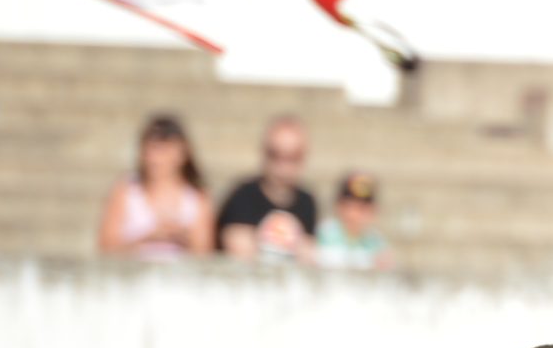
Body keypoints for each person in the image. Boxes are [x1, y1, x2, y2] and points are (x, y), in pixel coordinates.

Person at [95, 113, 212, 260]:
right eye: (152, 149)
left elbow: (204, 253)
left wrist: (181, 237)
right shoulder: (126, 189)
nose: (156, 158)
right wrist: (149, 237)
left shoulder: (196, 196)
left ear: (182, 153)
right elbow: (106, 247)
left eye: (164, 150)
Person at [216, 116, 319, 263]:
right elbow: (235, 249)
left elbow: (310, 255)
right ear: (263, 152)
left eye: (293, 156)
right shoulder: (242, 197)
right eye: (275, 154)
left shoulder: (307, 202)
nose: (283, 166)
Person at [315, 172, 392, 270]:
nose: (355, 214)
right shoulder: (326, 232)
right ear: (339, 206)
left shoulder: (375, 241)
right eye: (350, 207)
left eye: (362, 208)